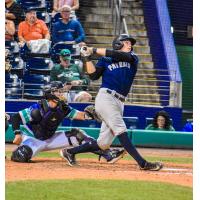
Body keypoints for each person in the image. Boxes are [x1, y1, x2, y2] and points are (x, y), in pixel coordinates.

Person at [60, 34, 163, 171]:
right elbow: (93, 75)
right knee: (121, 130)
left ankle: (69, 152)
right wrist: (86, 58)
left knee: (103, 144)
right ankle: (143, 163)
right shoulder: (105, 60)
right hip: (106, 97)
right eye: (126, 42)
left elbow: (119, 55)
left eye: (130, 43)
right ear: (118, 44)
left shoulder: (132, 58)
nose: (129, 45)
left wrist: (93, 50)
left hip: (120, 101)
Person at [10, 81, 124, 163]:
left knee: (78, 135)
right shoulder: (37, 108)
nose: (61, 93)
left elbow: (80, 115)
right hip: (33, 140)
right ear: (50, 93)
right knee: (21, 156)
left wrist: (92, 114)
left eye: (61, 91)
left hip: (50, 139)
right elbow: (15, 117)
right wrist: (17, 133)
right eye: (58, 91)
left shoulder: (63, 108)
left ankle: (108, 154)